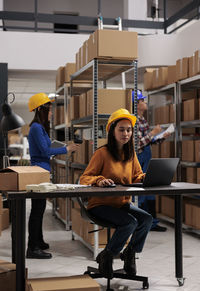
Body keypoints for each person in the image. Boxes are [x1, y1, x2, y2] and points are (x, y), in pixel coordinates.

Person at [80, 108, 153, 279]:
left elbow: (136, 176)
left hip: (121, 204)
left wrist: (147, 177)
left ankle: (129, 253)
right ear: (112, 130)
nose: (126, 133)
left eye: (128, 130)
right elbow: (84, 178)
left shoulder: (130, 154)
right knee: (130, 223)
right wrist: (99, 180)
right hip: (100, 205)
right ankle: (107, 255)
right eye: (121, 129)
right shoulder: (102, 153)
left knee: (146, 219)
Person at [27, 93, 79, 259]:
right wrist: (66, 150)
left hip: (42, 171)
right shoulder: (35, 127)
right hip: (38, 172)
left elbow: (47, 146)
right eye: (49, 109)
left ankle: (38, 241)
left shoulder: (40, 127)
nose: (51, 112)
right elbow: (45, 151)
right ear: (41, 109)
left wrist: (62, 146)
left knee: (40, 210)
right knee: (37, 210)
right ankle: (32, 248)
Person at [133, 90, 170, 232]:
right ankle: (142, 224)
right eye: (143, 100)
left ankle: (152, 223)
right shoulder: (134, 120)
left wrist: (160, 137)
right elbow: (137, 144)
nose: (146, 102)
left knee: (150, 190)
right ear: (137, 104)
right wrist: (152, 133)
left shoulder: (143, 120)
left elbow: (148, 141)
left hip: (147, 158)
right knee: (141, 192)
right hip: (140, 159)